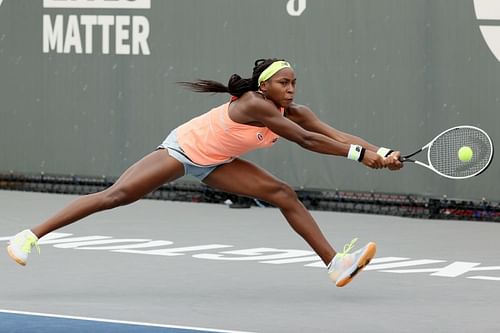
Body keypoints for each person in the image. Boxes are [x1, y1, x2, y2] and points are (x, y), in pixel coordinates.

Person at [7, 58, 403, 287]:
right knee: (117, 196)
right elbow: (306, 141)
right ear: (264, 87)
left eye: (295, 83)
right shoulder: (254, 105)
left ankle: (335, 264)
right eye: (284, 82)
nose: (292, 89)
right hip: (184, 149)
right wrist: (357, 156)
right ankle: (29, 236)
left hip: (217, 163)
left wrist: (380, 152)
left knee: (282, 193)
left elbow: (331, 134)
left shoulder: (293, 110)